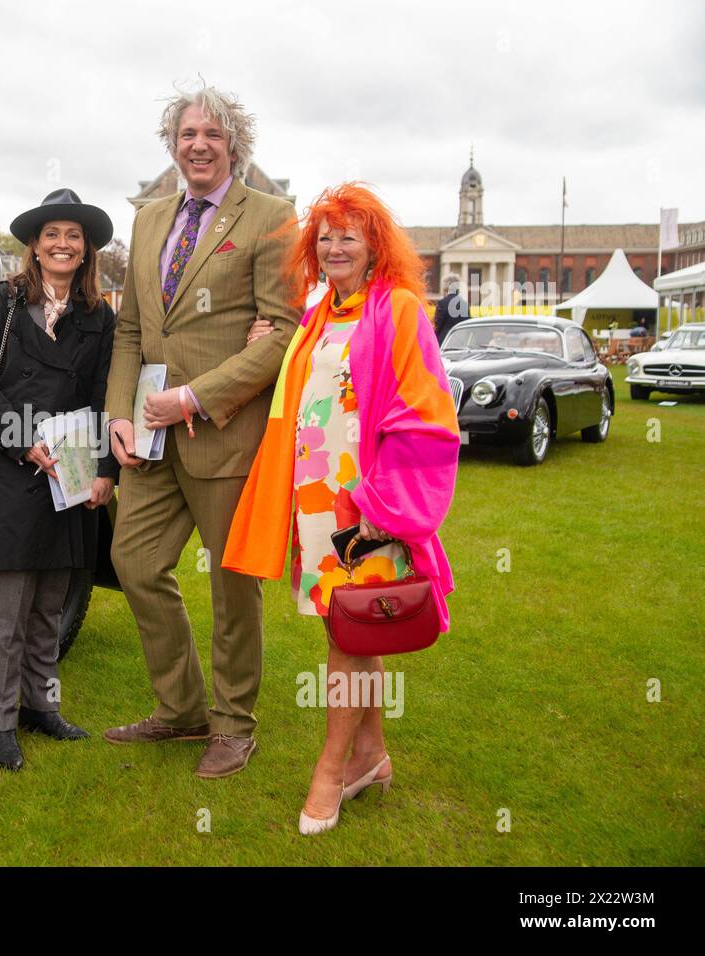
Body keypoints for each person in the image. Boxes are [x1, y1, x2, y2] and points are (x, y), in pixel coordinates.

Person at [228, 183, 460, 834]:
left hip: (368, 507)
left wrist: (382, 504)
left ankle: (331, 769)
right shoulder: (316, 318)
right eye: (325, 236)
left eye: (348, 236)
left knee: (344, 636)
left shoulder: (402, 310)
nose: (334, 246)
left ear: (373, 246)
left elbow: (427, 414)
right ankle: (372, 755)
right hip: (316, 504)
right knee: (358, 628)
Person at [101, 84, 299, 778]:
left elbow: (281, 336)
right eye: (187, 134)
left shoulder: (272, 217)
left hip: (224, 434)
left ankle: (234, 724)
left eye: (213, 134)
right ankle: (181, 710)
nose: (199, 145)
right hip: (150, 441)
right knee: (135, 563)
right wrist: (119, 413)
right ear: (173, 144)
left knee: (233, 584)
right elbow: (130, 329)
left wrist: (193, 397)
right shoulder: (150, 219)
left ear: (234, 144)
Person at [0, 188, 119, 771]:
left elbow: (105, 394)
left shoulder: (100, 316)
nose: (62, 244)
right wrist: (22, 439)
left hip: (73, 471)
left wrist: (104, 470)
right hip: (17, 466)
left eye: (73, 236)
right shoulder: (0, 302)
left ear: (86, 250)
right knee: (10, 606)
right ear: (34, 245)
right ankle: (0, 724)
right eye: (52, 234)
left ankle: (41, 706)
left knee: (52, 602)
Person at [433, 275, 468, 345]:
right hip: (461, 342)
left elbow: (437, 325)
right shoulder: (464, 304)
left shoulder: (442, 303)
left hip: (444, 342)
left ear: (446, 288)